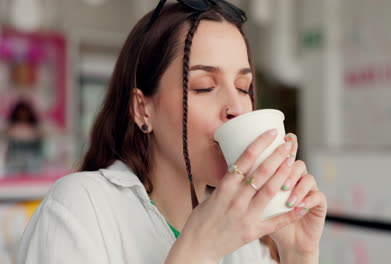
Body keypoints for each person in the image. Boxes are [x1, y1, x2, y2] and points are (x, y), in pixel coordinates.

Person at [17, 1, 327, 263]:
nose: (236, 108)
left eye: (243, 88)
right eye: (204, 87)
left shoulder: (242, 231)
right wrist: (197, 251)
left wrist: (298, 252)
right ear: (142, 109)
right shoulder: (81, 207)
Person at [4, 99, 42, 175]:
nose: (23, 115)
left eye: (24, 112)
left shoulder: (35, 130)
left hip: (32, 163)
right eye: (20, 112)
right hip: (14, 163)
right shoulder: (10, 129)